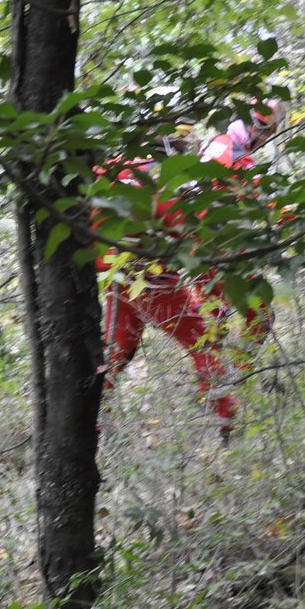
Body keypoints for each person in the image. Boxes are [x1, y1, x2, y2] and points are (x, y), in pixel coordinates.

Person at [96, 138, 239, 441]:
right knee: (202, 342)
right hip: (149, 281)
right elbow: (195, 245)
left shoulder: (116, 168)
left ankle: (93, 420)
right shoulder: (166, 184)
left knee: (116, 349)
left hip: (115, 274)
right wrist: (218, 307)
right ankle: (226, 421)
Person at [197, 102, 281, 359]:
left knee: (211, 324)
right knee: (261, 314)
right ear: (257, 129)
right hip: (220, 246)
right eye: (267, 135)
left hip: (199, 248)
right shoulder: (232, 153)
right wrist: (291, 217)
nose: (266, 141)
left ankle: (216, 384)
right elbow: (259, 196)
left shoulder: (218, 143)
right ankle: (236, 374)